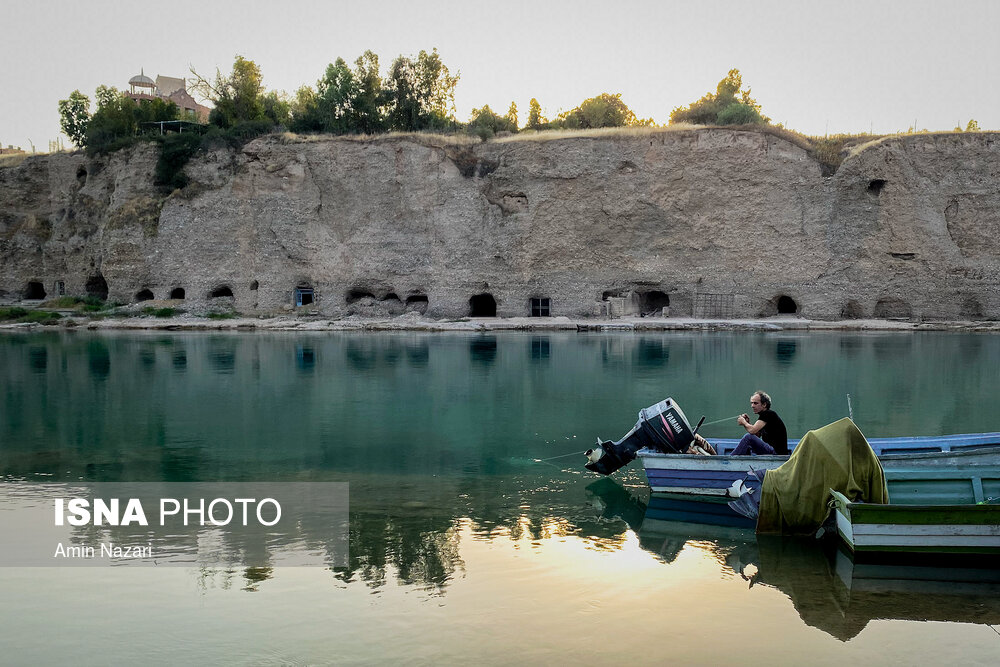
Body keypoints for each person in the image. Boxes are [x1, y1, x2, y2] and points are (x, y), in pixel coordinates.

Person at [732, 391, 788, 456]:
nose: (752, 406)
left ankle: (729, 459)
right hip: (772, 451)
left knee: (748, 437)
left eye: (755, 403)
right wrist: (748, 423)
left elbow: (752, 431)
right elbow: (757, 435)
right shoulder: (764, 416)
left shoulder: (768, 414)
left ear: (764, 404)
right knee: (749, 441)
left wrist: (744, 422)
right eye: (751, 403)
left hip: (776, 453)